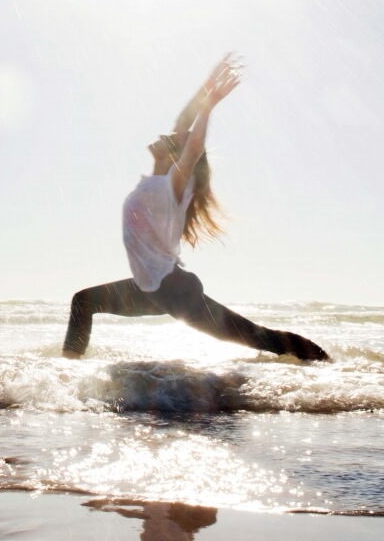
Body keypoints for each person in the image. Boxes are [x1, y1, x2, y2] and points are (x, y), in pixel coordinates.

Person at [62, 53, 329, 361]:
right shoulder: (159, 181)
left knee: (254, 336)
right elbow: (183, 124)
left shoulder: (170, 187)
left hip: (175, 292)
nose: (171, 132)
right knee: (84, 301)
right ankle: (68, 371)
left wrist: (211, 103)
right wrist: (206, 86)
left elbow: (194, 146)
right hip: (149, 290)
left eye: (177, 138)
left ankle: (324, 363)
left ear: (178, 156)